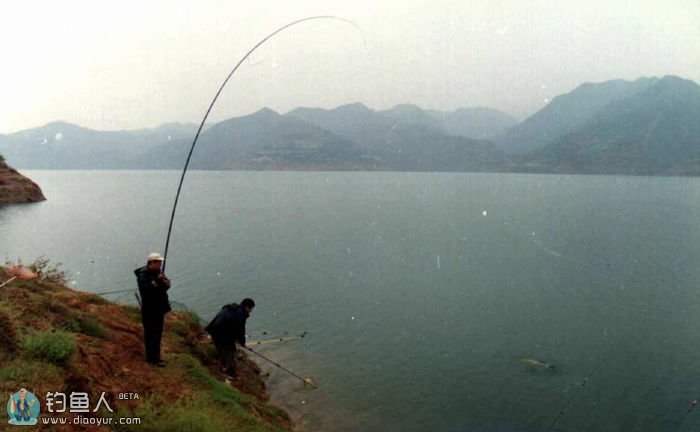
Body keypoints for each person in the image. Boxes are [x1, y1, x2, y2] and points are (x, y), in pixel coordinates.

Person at [134, 252, 171, 367]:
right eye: (158, 262)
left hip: (159, 309)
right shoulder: (143, 275)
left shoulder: (157, 273)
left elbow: (165, 287)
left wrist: (165, 282)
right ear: (152, 263)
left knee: (158, 334)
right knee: (151, 334)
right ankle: (152, 359)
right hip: (150, 310)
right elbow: (147, 290)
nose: (160, 265)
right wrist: (158, 281)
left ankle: (156, 357)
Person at [205, 298, 255, 378]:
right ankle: (230, 373)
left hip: (214, 331)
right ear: (247, 307)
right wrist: (242, 343)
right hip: (223, 335)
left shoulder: (231, 307)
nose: (251, 311)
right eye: (251, 309)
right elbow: (240, 331)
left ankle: (222, 368)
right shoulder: (241, 315)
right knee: (231, 354)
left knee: (221, 351)